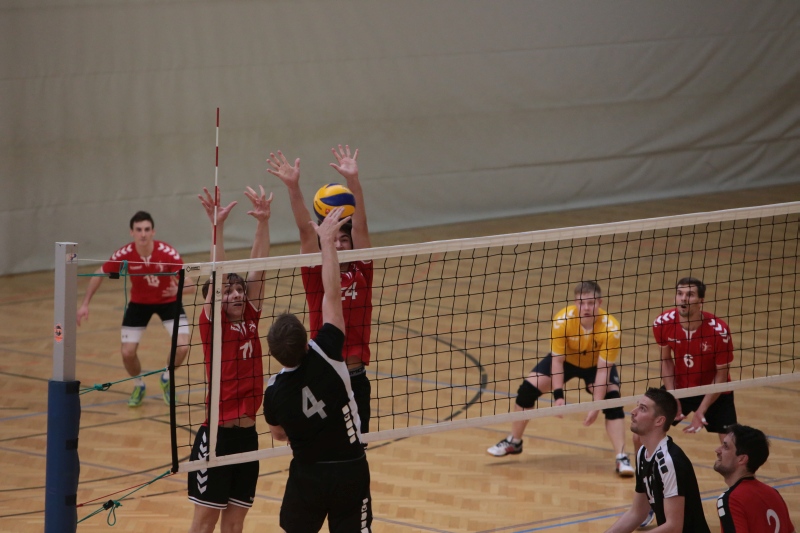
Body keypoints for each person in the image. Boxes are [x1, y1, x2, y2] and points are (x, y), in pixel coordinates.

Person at [263, 206, 372, 533]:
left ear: (276, 355)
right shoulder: (328, 353)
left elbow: (278, 434)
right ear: (306, 340)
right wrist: (327, 243)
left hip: (308, 473)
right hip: (350, 468)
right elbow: (332, 295)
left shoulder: (274, 394)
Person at [267, 145, 374, 434]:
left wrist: (353, 181)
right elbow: (306, 231)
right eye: (333, 239)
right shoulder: (316, 274)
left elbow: (361, 226)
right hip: (323, 374)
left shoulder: (362, 269)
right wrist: (293, 187)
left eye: (344, 239)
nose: (339, 244)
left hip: (356, 376)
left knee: (358, 447)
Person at [187, 185, 273, 533]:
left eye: (239, 290)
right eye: (228, 291)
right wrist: (217, 228)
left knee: (235, 525)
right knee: (204, 523)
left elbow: (259, 268)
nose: (236, 294)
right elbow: (217, 274)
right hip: (217, 437)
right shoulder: (214, 325)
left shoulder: (251, 316)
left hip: (248, 437)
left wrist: (263, 222)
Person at [487, 281, 634, 477]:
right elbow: (557, 361)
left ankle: (621, 457)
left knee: (612, 400)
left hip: (595, 366)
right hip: (566, 362)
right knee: (527, 390)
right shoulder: (562, 321)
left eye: (591, 303)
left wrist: (596, 405)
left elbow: (603, 370)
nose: (586, 308)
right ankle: (514, 441)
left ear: (599, 303)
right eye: (581, 303)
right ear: (575, 303)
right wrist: (558, 396)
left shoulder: (611, 328)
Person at [77, 211, 192, 407]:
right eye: (139, 230)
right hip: (139, 304)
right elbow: (99, 273)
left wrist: (179, 290)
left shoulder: (168, 253)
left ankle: (166, 378)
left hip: (169, 301)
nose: (143, 234)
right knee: (127, 353)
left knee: (183, 347)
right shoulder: (124, 254)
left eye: (147, 229)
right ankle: (139, 385)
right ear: (132, 232)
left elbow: (190, 284)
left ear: (153, 231)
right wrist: (85, 304)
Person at [605, 387, 710, 533]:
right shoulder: (643, 453)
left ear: (659, 420)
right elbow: (637, 513)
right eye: (637, 406)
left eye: (642, 409)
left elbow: (674, 527)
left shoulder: (669, 461)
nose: (633, 412)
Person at [652, 277, 736, 441]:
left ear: (701, 301)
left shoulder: (719, 332)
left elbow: (721, 374)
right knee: (641, 434)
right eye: (680, 293)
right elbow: (666, 360)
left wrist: (701, 410)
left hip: (714, 391)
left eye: (690, 295)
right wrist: (673, 395)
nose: (683, 298)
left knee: (731, 443)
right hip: (681, 386)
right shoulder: (662, 323)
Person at [714, 424, 795, 533]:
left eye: (725, 446)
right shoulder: (774, 494)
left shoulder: (731, 500)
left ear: (742, 459)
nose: (717, 450)